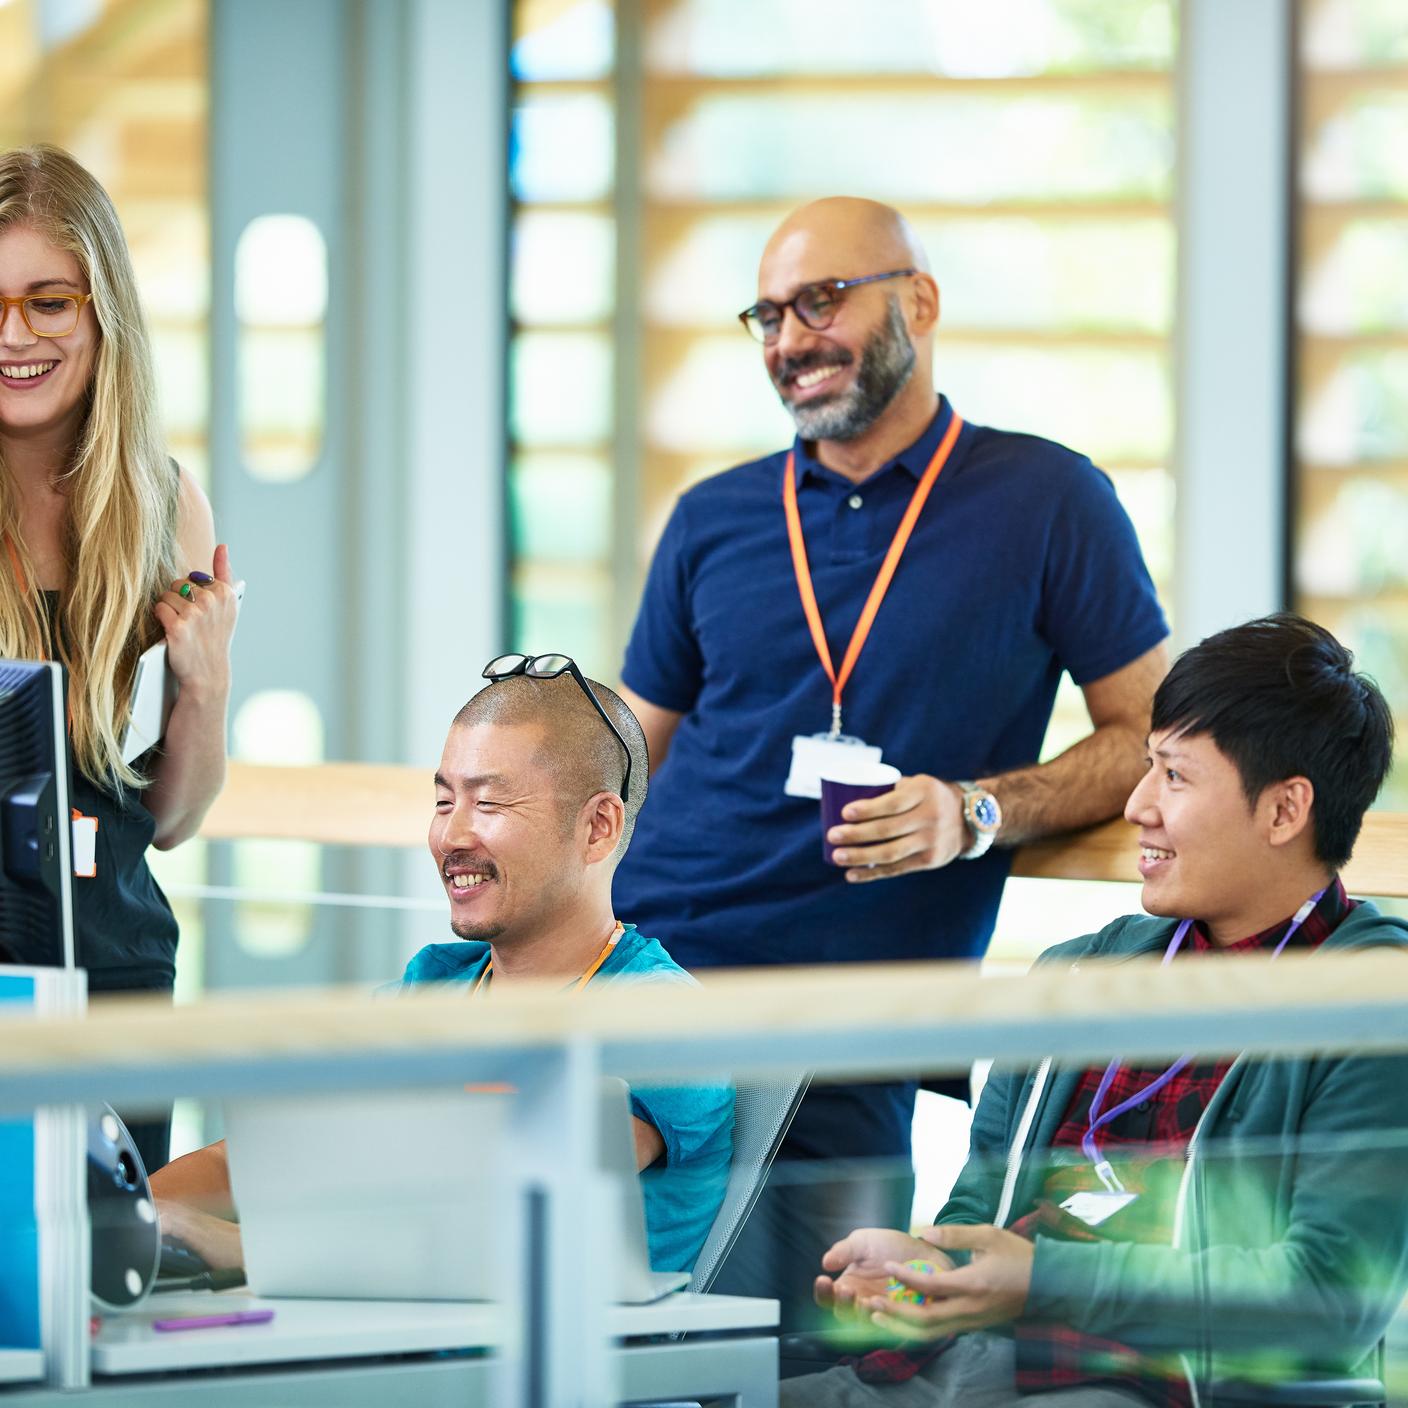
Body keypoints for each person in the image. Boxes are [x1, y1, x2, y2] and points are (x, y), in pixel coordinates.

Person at [615, 195, 1170, 1319]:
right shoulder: (711, 517)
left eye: (821, 299)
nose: (787, 337)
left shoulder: (1047, 501)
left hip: (845, 1031)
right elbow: (620, 762)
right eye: (765, 313)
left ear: (917, 301)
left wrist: (975, 811)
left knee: (817, 1358)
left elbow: (1151, 734)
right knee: (580, 1335)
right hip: (644, 984)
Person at [784, 614, 1408, 1406]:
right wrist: (918, 1274)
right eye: (1147, 767)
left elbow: (1329, 1300)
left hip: (1161, 1387)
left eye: (1176, 777)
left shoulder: (1369, 1002)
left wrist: (1045, 1282)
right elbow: (983, 1211)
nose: (1138, 805)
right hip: (971, 1367)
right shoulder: (1079, 972)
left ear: (1285, 812)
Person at [153, 657, 734, 1276]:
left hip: (545, 1358)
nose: (450, 834)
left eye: (488, 804)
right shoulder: (433, 984)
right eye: (442, 800)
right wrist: (112, 1218)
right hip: (390, 1327)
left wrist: (241, 1250)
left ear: (597, 827)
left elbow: (499, 1219)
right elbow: (252, 1162)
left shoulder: (661, 1017)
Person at [0, 146, 238, 1174]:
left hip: (121, 971)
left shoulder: (165, 506)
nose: (16, 335)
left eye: (48, 301)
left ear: (104, 314)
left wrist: (207, 680)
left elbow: (174, 820)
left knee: (107, 1282)